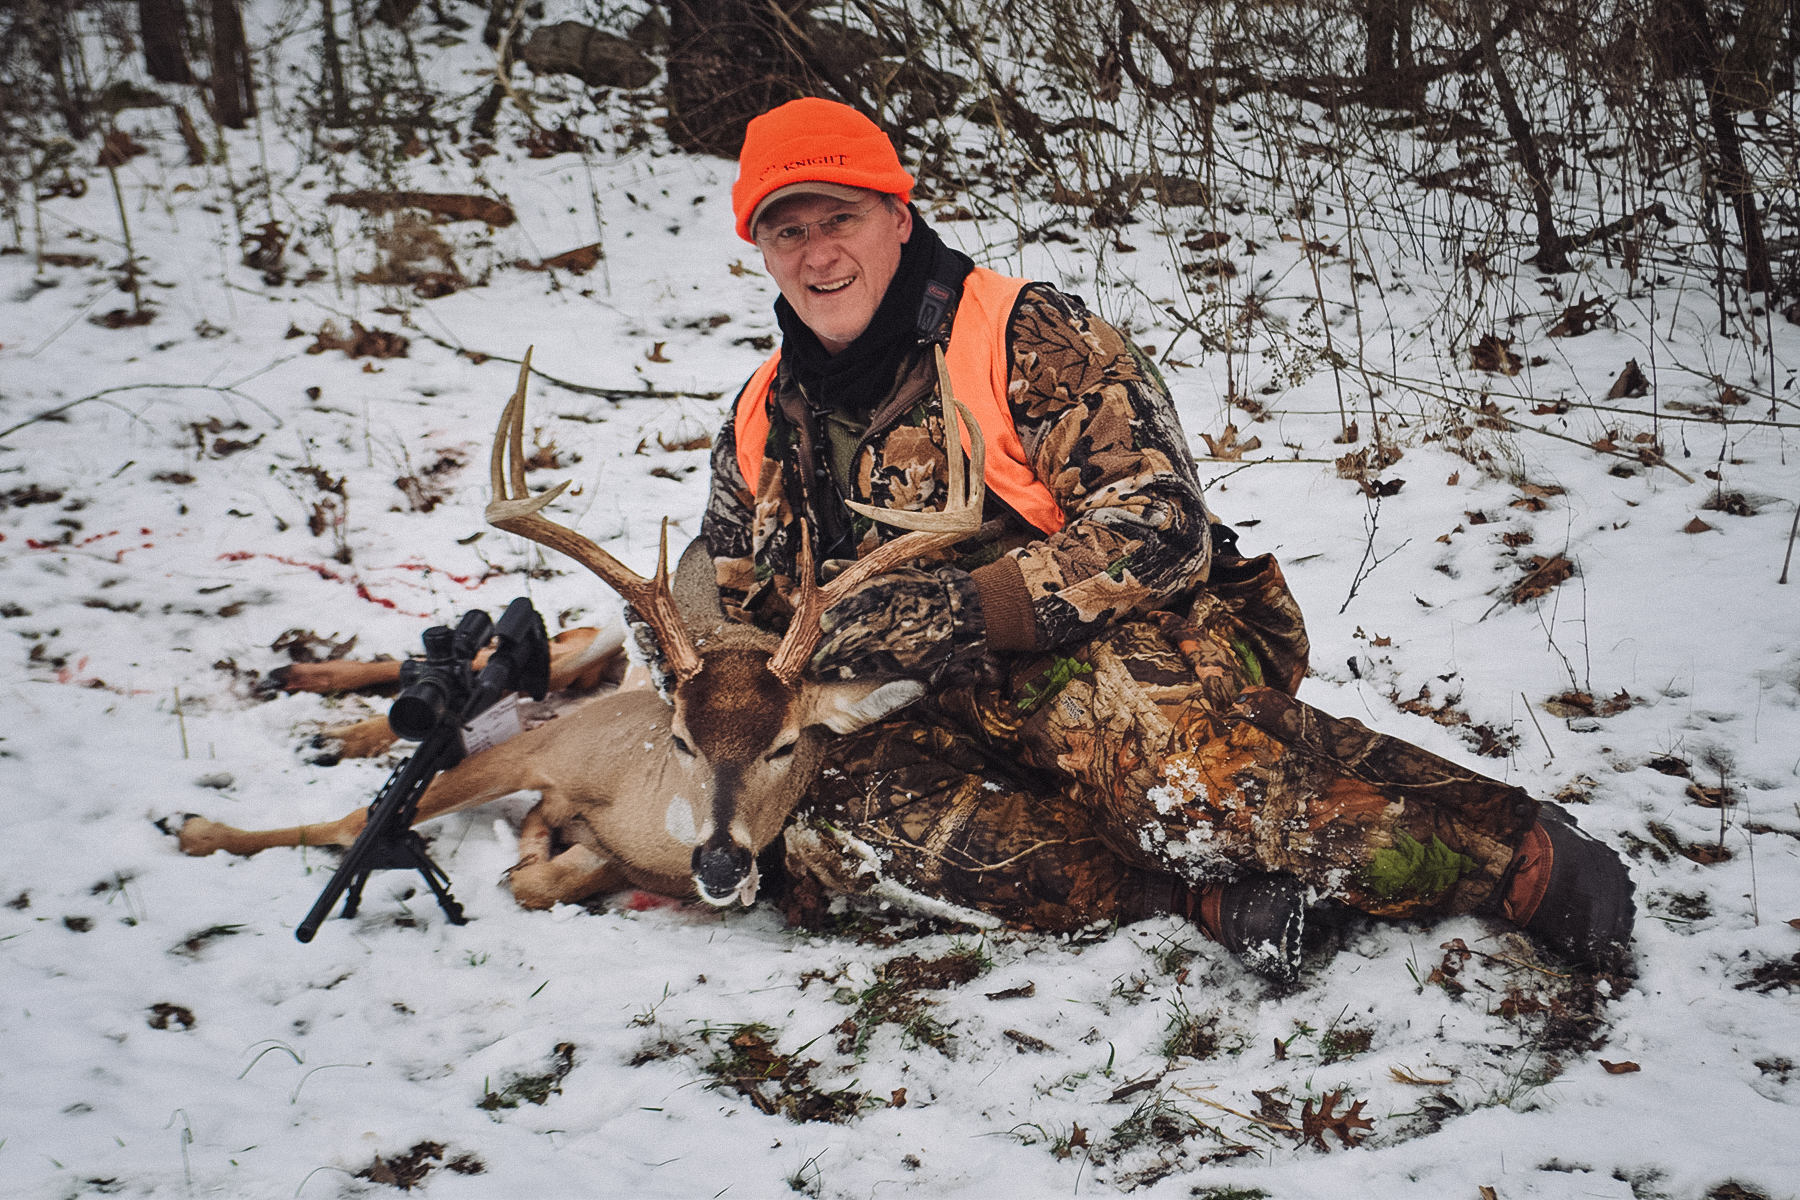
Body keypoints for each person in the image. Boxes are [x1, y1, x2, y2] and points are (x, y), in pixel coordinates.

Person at [680, 97, 1632, 981]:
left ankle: (1508, 857)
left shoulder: (1021, 333)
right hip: (914, 702)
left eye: (840, 218)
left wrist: (965, 609)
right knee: (821, 827)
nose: (818, 254)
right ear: (761, 250)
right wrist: (723, 667)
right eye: (787, 231)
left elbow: (1162, 528)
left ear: (897, 215)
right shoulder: (763, 414)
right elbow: (719, 601)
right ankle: (1194, 900)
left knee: (1170, 786)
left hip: (1112, 650)